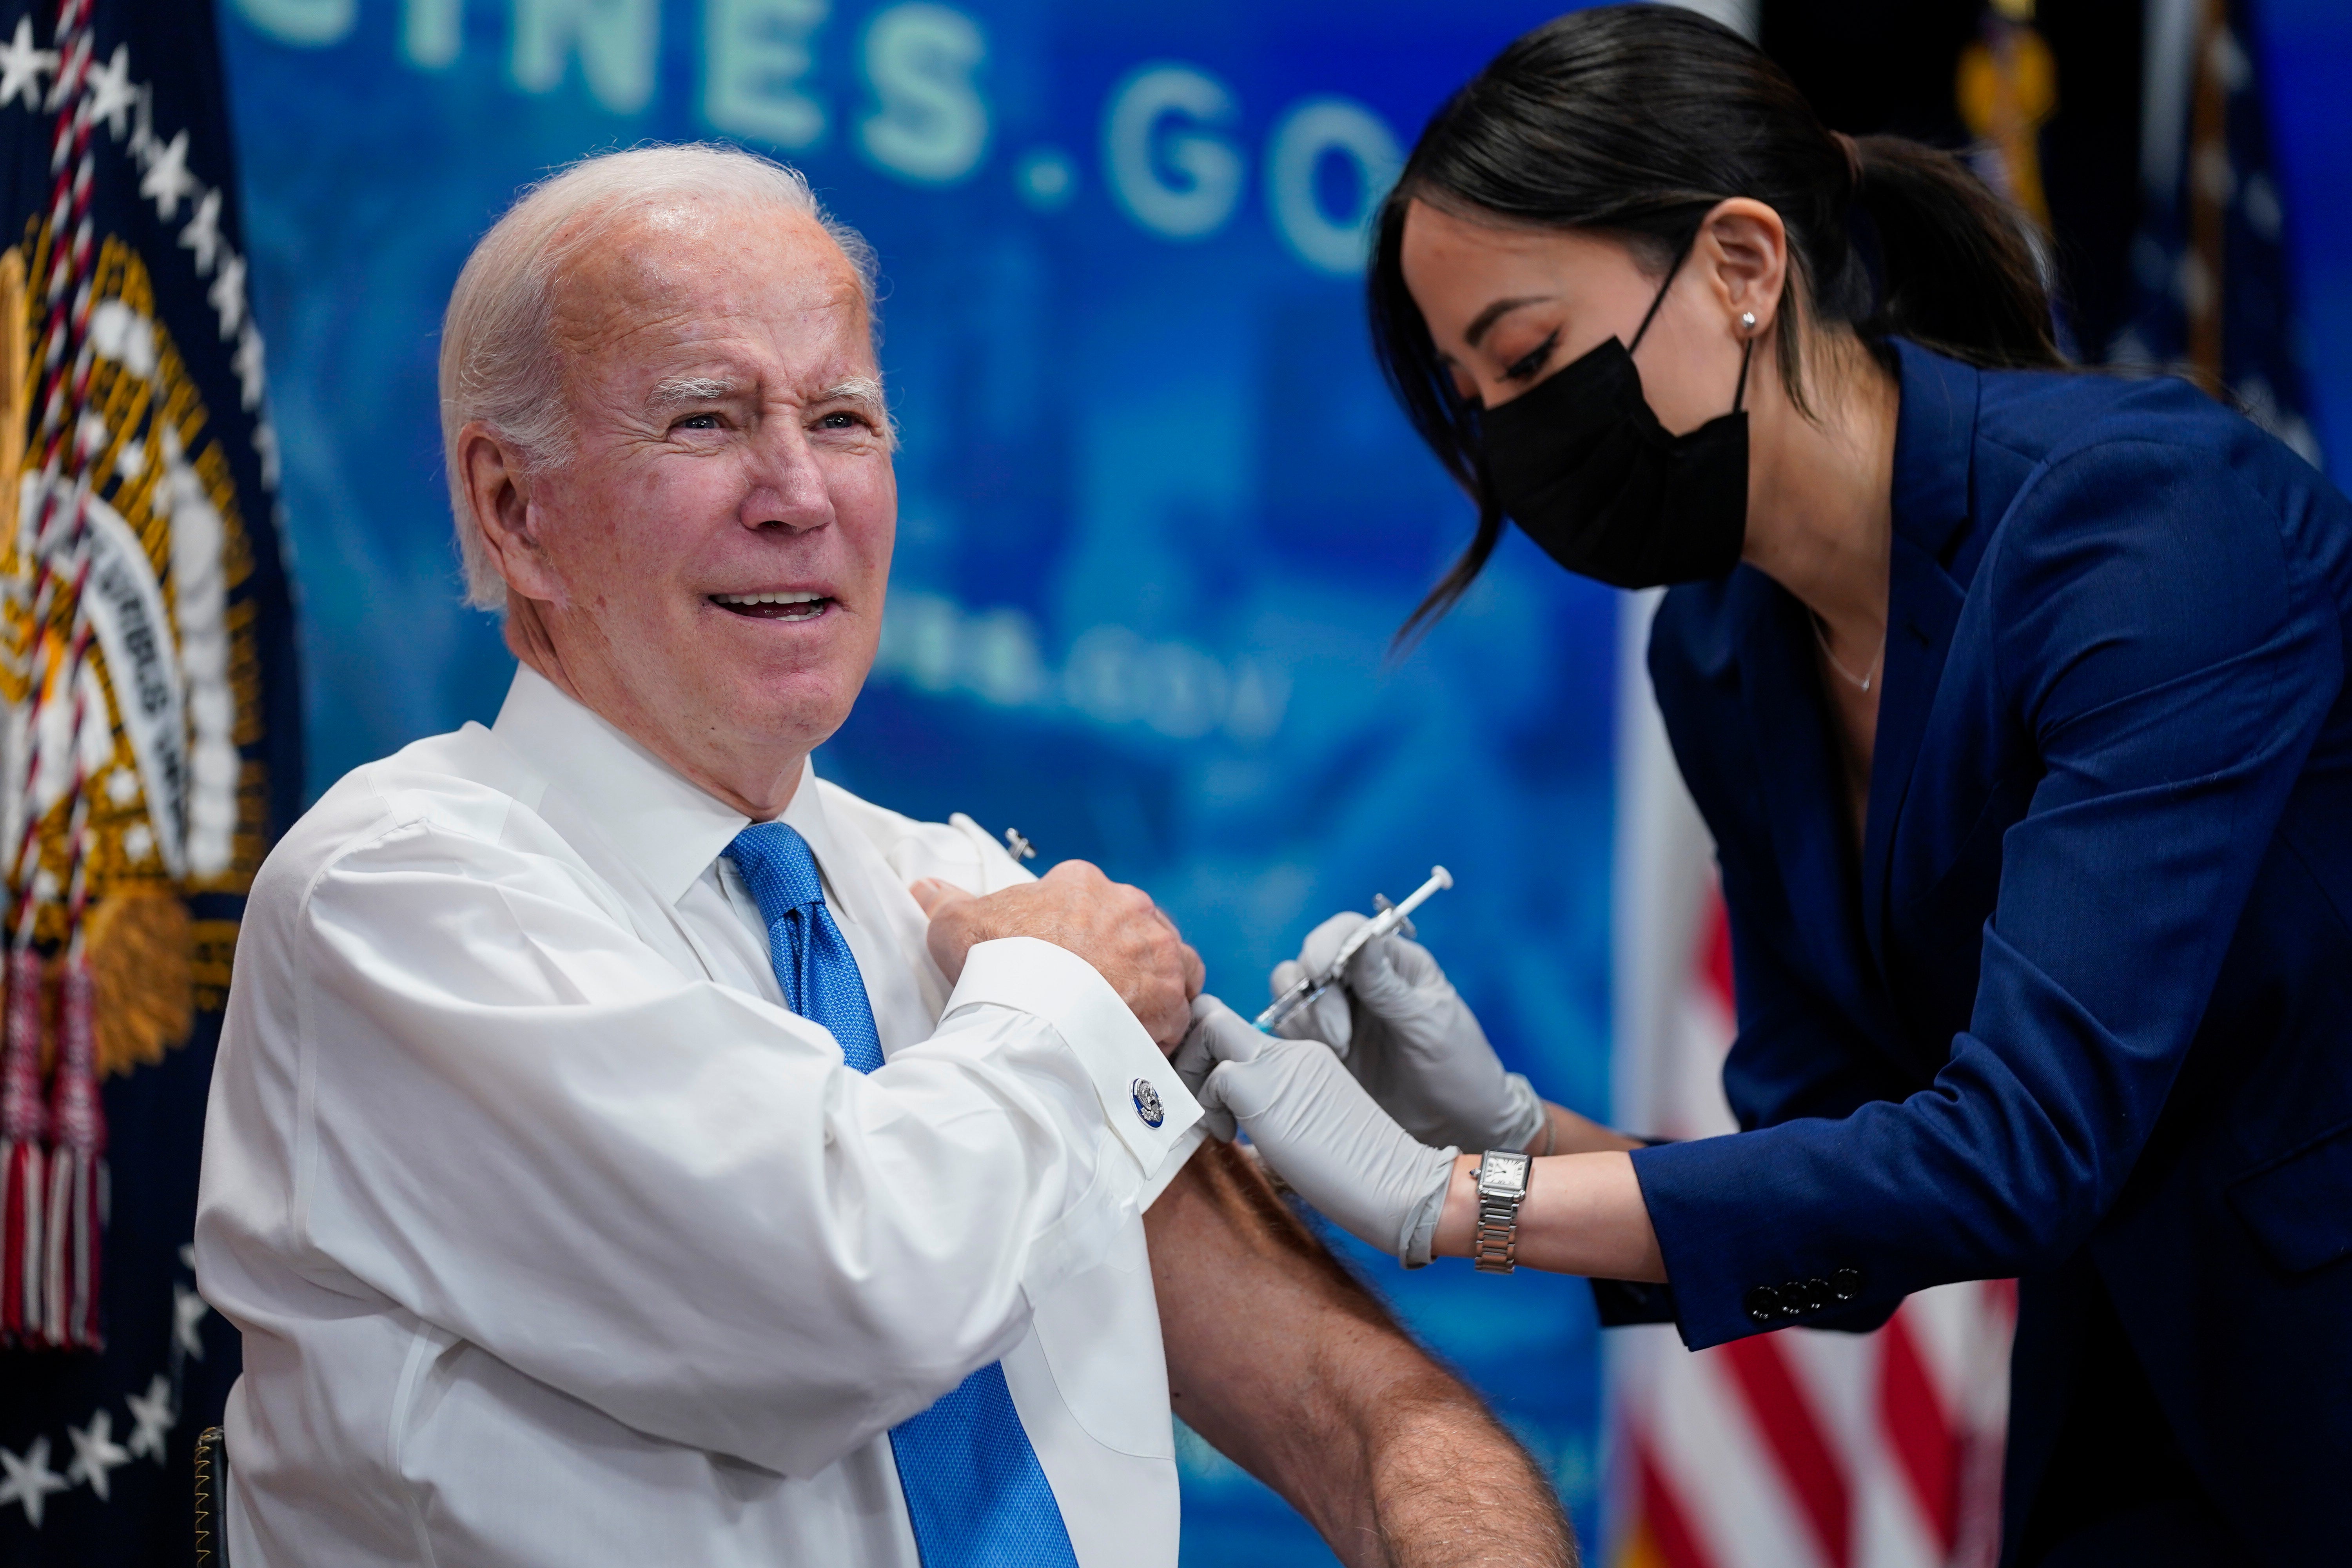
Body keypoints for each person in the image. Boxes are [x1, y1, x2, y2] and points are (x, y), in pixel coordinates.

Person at [192, 145, 1574, 1568]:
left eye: (844, 417)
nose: (800, 493)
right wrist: (1064, 1002)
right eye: (706, 419)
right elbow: (849, 1298)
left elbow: (1360, 1411)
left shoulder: (958, 884)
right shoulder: (399, 889)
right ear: (512, 509)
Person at [1179, 8, 2352, 1566]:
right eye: (1474, 402)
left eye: (1530, 358)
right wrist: (1510, 1126)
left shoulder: (2143, 525)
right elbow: (1840, 1181)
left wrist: (1456, 1201)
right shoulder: (1726, 652)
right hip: (2132, 1434)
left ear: (1742, 265)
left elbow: (2014, 1152)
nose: (1515, 443)